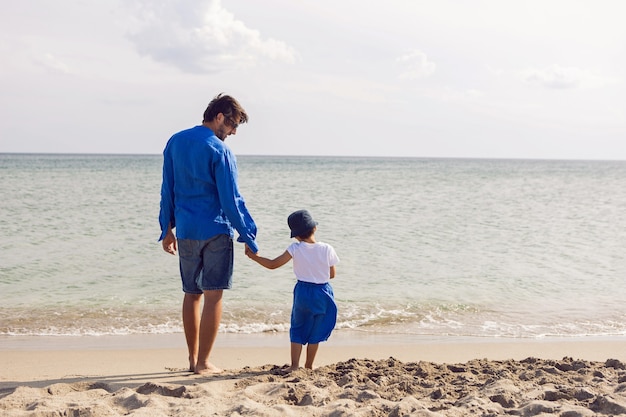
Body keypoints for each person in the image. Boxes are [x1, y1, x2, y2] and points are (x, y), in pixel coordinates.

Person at [158, 93, 259, 374]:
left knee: (192, 294)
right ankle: (203, 363)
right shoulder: (220, 150)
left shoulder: (175, 141)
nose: (234, 131)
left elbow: (168, 189)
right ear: (219, 117)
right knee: (213, 296)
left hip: (187, 231)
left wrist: (166, 229)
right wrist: (248, 235)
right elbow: (231, 200)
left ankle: (192, 359)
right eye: (233, 124)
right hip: (215, 230)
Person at [245, 209, 339, 372]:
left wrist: (255, 256)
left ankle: (295, 365)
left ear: (295, 235)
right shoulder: (327, 248)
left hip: (302, 291)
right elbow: (332, 274)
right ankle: (309, 365)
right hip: (322, 292)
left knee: (298, 327)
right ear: (314, 228)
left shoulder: (295, 248)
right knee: (316, 329)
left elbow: (273, 264)